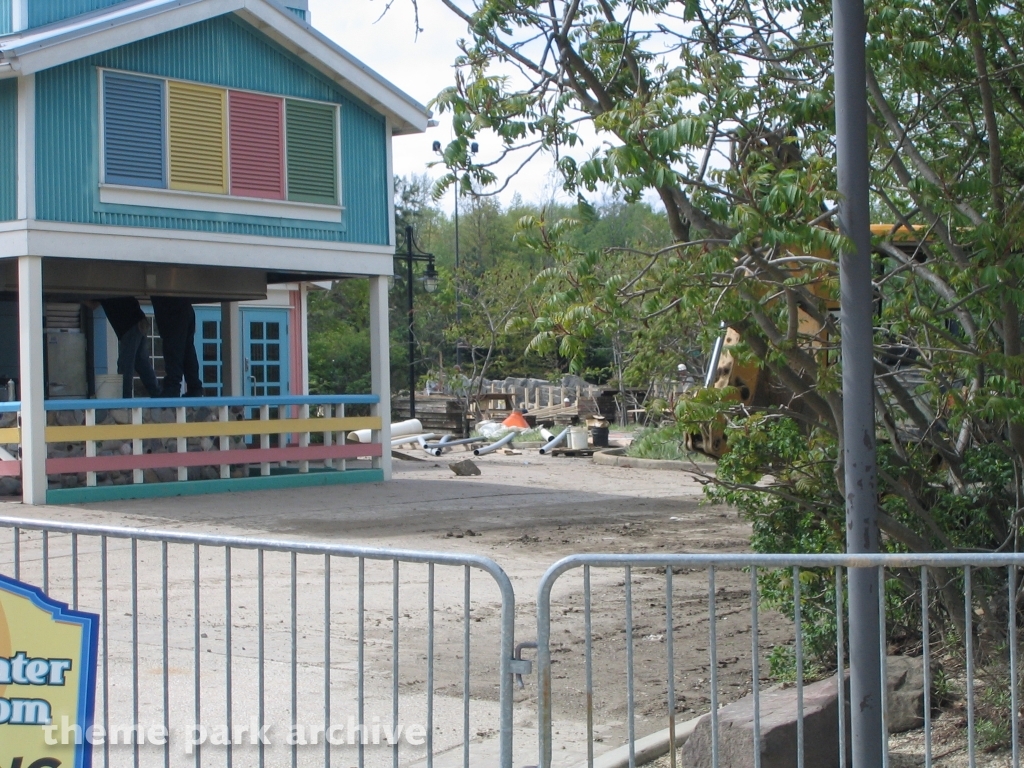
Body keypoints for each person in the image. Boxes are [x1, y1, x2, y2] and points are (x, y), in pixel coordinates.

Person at [94, 297, 161, 399]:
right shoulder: (109, 289)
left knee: (125, 364)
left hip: (130, 324)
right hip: (139, 320)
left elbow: (93, 305)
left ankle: (125, 398)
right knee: (141, 362)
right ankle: (156, 394)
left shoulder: (103, 291)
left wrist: (79, 298)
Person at [150, 296, 203, 398]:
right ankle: (194, 387)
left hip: (173, 309)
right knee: (188, 350)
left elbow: (173, 351)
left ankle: (173, 388)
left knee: (173, 349)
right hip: (184, 306)